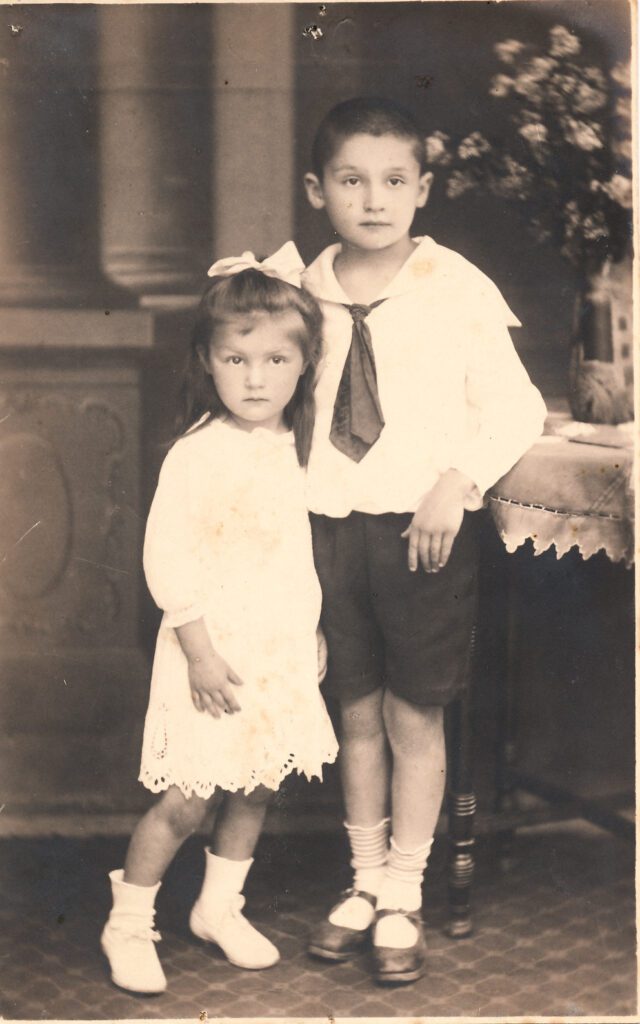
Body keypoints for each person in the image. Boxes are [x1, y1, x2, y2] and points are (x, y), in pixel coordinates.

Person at [301, 97, 546, 984]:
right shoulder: (303, 291)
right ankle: (364, 883)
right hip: (328, 531)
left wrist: (459, 481)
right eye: (352, 180)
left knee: (413, 714)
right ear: (317, 189)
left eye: (395, 181)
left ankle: (405, 887)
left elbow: (514, 406)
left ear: (424, 190)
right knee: (354, 712)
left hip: (421, 535)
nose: (374, 199)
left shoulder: (456, 285)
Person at [101, 243, 338, 995]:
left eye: (275, 361)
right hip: (210, 650)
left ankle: (217, 907)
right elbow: (167, 560)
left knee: (259, 782)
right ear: (207, 361)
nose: (257, 378)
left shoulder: (294, 450)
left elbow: (296, 556)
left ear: (303, 367)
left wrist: (312, 633)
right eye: (237, 360)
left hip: (274, 647)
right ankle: (128, 924)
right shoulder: (197, 454)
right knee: (189, 798)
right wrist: (199, 652)